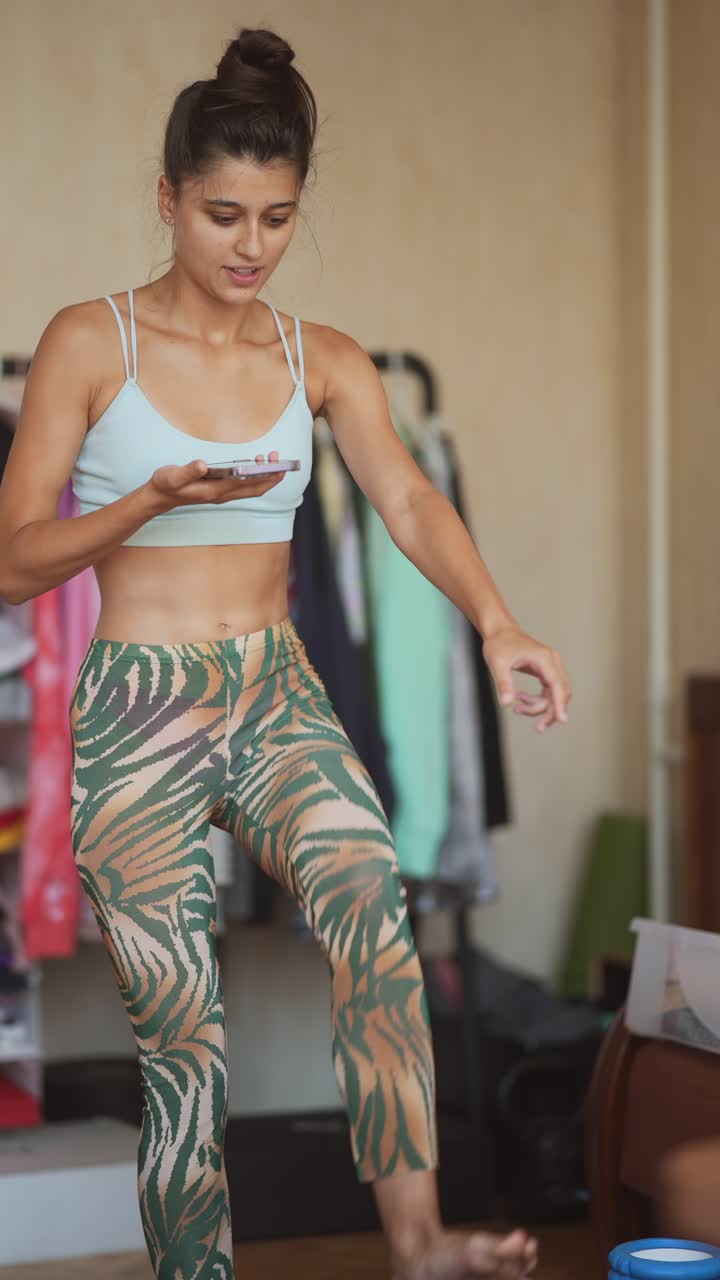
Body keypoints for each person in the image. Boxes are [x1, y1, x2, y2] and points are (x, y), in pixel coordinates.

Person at [0, 26, 571, 1280]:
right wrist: (149, 500)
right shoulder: (90, 345)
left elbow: (411, 502)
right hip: (140, 704)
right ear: (169, 201)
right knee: (181, 1024)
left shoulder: (325, 359)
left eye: (274, 216)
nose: (249, 245)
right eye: (221, 214)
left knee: (372, 897)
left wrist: (498, 623)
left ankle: (418, 1241)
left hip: (275, 689)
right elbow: (15, 559)